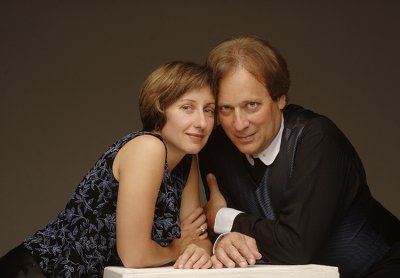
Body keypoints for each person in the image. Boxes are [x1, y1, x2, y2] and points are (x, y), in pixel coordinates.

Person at [198, 36, 400, 278]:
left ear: (280, 98)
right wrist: (223, 240)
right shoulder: (215, 147)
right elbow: (231, 237)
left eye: (252, 105)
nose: (239, 124)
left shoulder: (315, 138)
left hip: (381, 267)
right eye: (226, 109)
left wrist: (222, 219)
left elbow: (295, 246)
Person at [0, 61, 216, 277]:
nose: (202, 122)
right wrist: (178, 248)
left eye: (209, 110)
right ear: (160, 109)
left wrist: (195, 248)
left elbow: (198, 239)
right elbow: (135, 256)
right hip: (37, 272)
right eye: (187, 108)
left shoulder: (188, 159)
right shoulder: (148, 148)